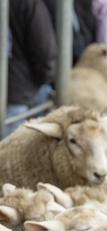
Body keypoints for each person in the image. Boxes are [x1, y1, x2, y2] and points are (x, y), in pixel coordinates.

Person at [5, 0, 57, 139]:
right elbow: (44, 50)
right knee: (15, 155)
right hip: (20, 91)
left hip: (16, 88)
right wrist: (44, 79)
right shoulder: (28, 3)